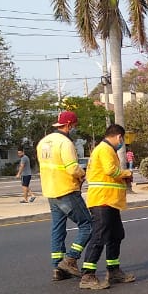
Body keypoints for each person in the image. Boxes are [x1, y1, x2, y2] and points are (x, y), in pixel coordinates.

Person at [37, 110, 93, 282]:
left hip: (50, 191)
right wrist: (83, 174)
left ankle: (57, 267)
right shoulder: (65, 143)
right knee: (88, 225)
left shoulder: (43, 142)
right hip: (66, 190)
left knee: (58, 229)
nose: (74, 129)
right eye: (74, 126)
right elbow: (71, 168)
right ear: (68, 125)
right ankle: (71, 258)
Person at [80, 124, 135, 289]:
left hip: (110, 201)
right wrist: (127, 173)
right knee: (100, 236)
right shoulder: (105, 149)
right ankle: (87, 275)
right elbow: (111, 170)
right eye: (122, 139)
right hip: (102, 201)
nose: (122, 142)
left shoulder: (105, 150)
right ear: (119, 137)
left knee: (116, 235)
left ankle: (114, 270)